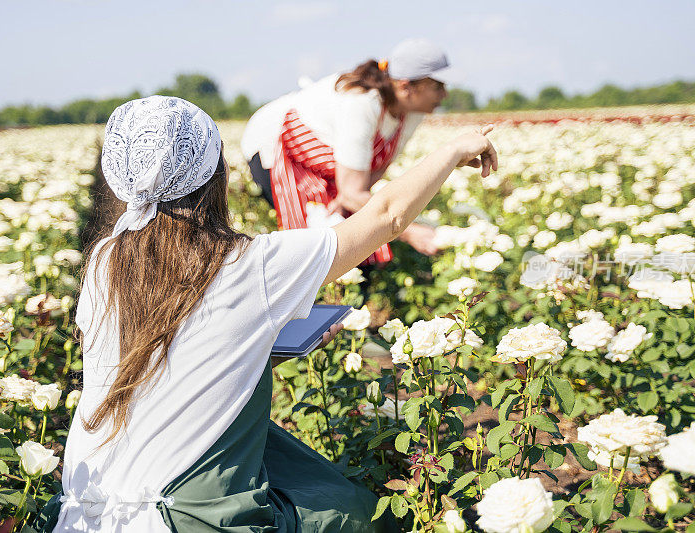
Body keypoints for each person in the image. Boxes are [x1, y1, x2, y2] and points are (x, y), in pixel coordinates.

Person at [34, 95, 497, 532]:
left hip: (84, 510)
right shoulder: (250, 263)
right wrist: (456, 149)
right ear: (216, 175)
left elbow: (174, 355)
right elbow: (388, 216)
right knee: (352, 510)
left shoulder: (104, 261)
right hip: (186, 518)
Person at [241, 38, 454, 264]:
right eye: (437, 86)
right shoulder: (363, 103)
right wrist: (410, 232)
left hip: (327, 165)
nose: (444, 95)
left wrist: (348, 201)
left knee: (351, 237)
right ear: (406, 86)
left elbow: (375, 169)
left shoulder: (413, 110)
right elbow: (352, 194)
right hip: (275, 146)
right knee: (315, 247)